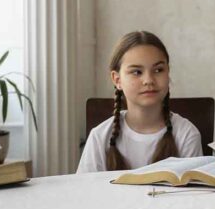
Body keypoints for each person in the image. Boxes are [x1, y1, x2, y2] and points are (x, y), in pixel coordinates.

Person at [77, 31, 202, 173]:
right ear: (117, 80)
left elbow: (195, 192)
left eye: (158, 70)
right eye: (137, 72)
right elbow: (85, 191)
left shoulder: (186, 134)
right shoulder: (99, 137)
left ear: (168, 73)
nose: (148, 80)